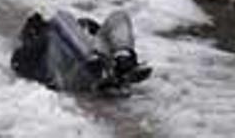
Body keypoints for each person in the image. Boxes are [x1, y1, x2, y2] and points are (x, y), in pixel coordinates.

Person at [11, 10, 152, 94]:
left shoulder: (79, 28)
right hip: (72, 72)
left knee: (119, 16)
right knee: (61, 16)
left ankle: (123, 61)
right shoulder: (35, 52)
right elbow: (18, 63)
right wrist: (42, 33)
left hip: (101, 63)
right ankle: (98, 66)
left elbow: (105, 34)